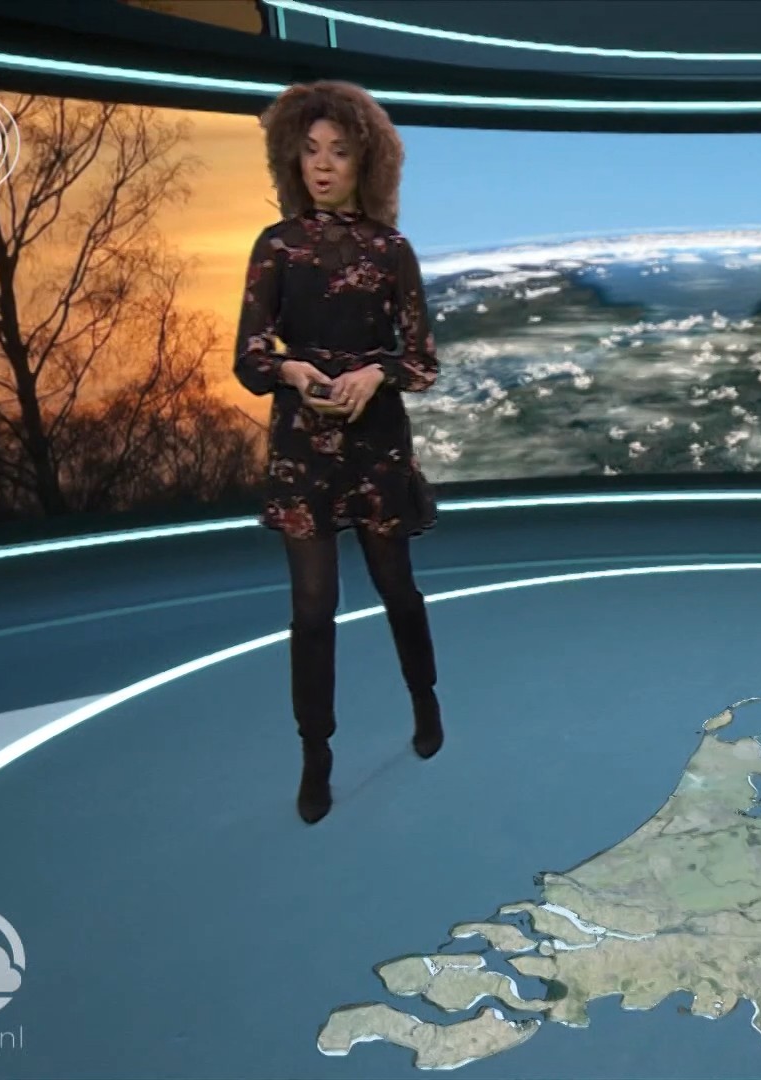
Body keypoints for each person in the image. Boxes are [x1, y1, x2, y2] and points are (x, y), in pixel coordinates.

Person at [233, 80, 444, 825]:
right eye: (311, 150)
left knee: (397, 589)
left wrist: (375, 372)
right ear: (292, 157)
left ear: (367, 162)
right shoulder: (276, 246)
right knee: (312, 606)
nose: (322, 165)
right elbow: (250, 357)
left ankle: (426, 702)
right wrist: (292, 370)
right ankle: (316, 755)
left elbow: (421, 360)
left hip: (377, 444)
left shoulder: (392, 251)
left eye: (340, 152)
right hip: (305, 451)